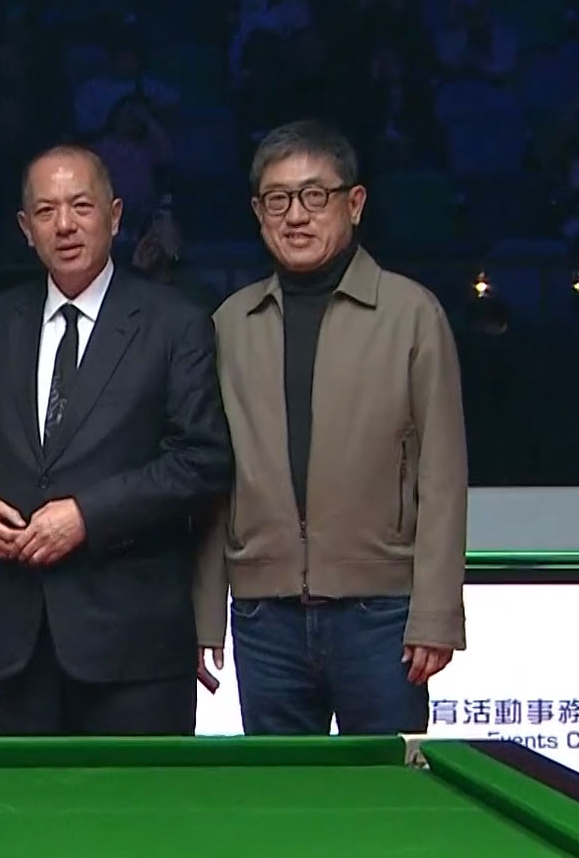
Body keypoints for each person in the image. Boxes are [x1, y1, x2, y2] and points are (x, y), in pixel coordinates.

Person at [0, 144, 233, 735]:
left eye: (81, 206)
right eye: (46, 211)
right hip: (19, 641)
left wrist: (87, 517)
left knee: (136, 798)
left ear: (115, 216)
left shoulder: (174, 323)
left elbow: (202, 461)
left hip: (137, 645)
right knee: (23, 798)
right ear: (26, 229)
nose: (64, 225)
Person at [194, 119, 467, 735]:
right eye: (278, 199)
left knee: (385, 791)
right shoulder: (231, 323)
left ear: (355, 203)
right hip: (264, 618)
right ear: (258, 213)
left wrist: (435, 614)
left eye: (315, 195)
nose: (296, 215)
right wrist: (208, 614)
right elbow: (212, 479)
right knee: (286, 792)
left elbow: (443, 476)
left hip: (382, 615)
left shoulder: (410, 313)